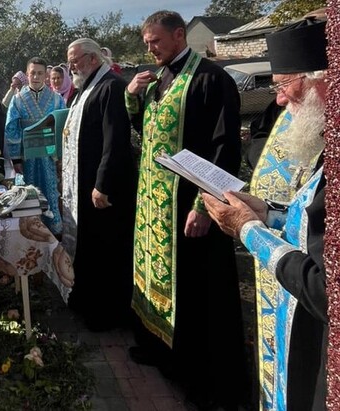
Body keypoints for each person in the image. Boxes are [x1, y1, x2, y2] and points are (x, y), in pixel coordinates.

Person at [124, 10, 247, 409]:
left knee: (197, 291)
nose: (150, 49)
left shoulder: (213, 80)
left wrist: (204, 206)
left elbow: (224, 149)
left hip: (189, 206)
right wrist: (132, 98)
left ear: (180, 35)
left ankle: (198, 377)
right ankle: (161, 349)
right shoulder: (158, 79)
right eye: (147, 43)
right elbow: (146, 132)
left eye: (156, 41)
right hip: (154, 203)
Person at [222, 17, 327, 411]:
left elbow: (324, 290)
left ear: (323, 79)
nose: (279, 100)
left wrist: (249, 230)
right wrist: (268, 214)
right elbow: (313, 222)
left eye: (284, 85)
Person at [61, 38, 138, 331]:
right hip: (82, 183)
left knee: (105, 251)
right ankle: (85, 301)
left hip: (101, 188)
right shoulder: (86, 88)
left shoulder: (111, 86)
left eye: (75, 60)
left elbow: (115, 140)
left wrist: (102, 184)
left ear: (93, 59)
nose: (71, 67)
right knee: (89, 248)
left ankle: (106, 314)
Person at [5, 57, 65, 235]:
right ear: (27, 74)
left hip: (49, 157)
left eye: (40, 73)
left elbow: (63, 127)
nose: (36, 77)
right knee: (27, 194)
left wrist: (60, 156)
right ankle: (28, 234)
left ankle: (53, 235)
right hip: (26, 158)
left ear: (46, 75)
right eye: (32, 73)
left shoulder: (56, 100)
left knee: (50, 192)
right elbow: (12, 130)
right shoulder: (17, 100)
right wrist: (16, 158)